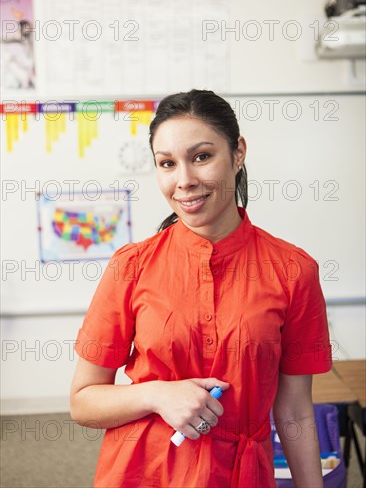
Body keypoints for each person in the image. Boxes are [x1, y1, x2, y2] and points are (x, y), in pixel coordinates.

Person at [70, 89, 332, 488]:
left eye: (202, 156)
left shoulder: (293, 271)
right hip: (143, 472)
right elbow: (83, 401)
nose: (185, 181)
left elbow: (295, 412)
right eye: (167, 164)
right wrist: (156, 394)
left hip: (240, 475)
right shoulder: (131, 267)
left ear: (237, 153)